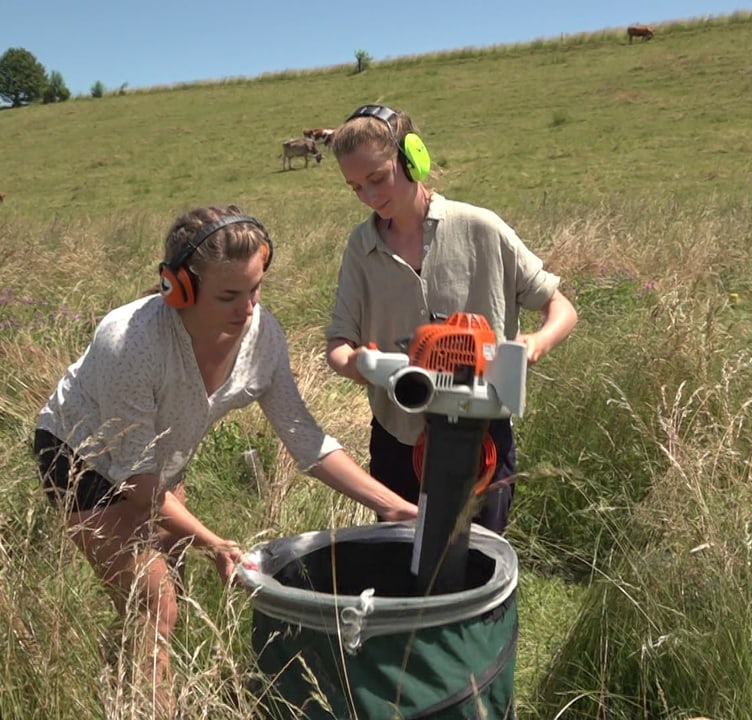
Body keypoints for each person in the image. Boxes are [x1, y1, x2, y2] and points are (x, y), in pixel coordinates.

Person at [33, 204, 419, 719]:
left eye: (256, 288)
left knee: (162, 602)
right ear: (180, 289)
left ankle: (121, 688)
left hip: (158, 464)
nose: (248, 308)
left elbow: (305, 437)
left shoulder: (262, 336)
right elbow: (135, 478)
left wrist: (393, 507)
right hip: (83, 461)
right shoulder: (131, 340)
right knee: (156, 605)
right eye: (229, 295)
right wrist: (212, 542)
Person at [324, 104, 578, 535]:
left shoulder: (481, 228)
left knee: (478, 562)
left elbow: (561, 308)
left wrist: (535, 344)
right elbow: (337, 344)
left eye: (377, 178)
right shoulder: (360, 248)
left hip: (482, 438)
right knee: (401, 567)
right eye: (355, 188)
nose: (369, 197)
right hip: (398, 437)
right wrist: (360, 367)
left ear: (413, 158)